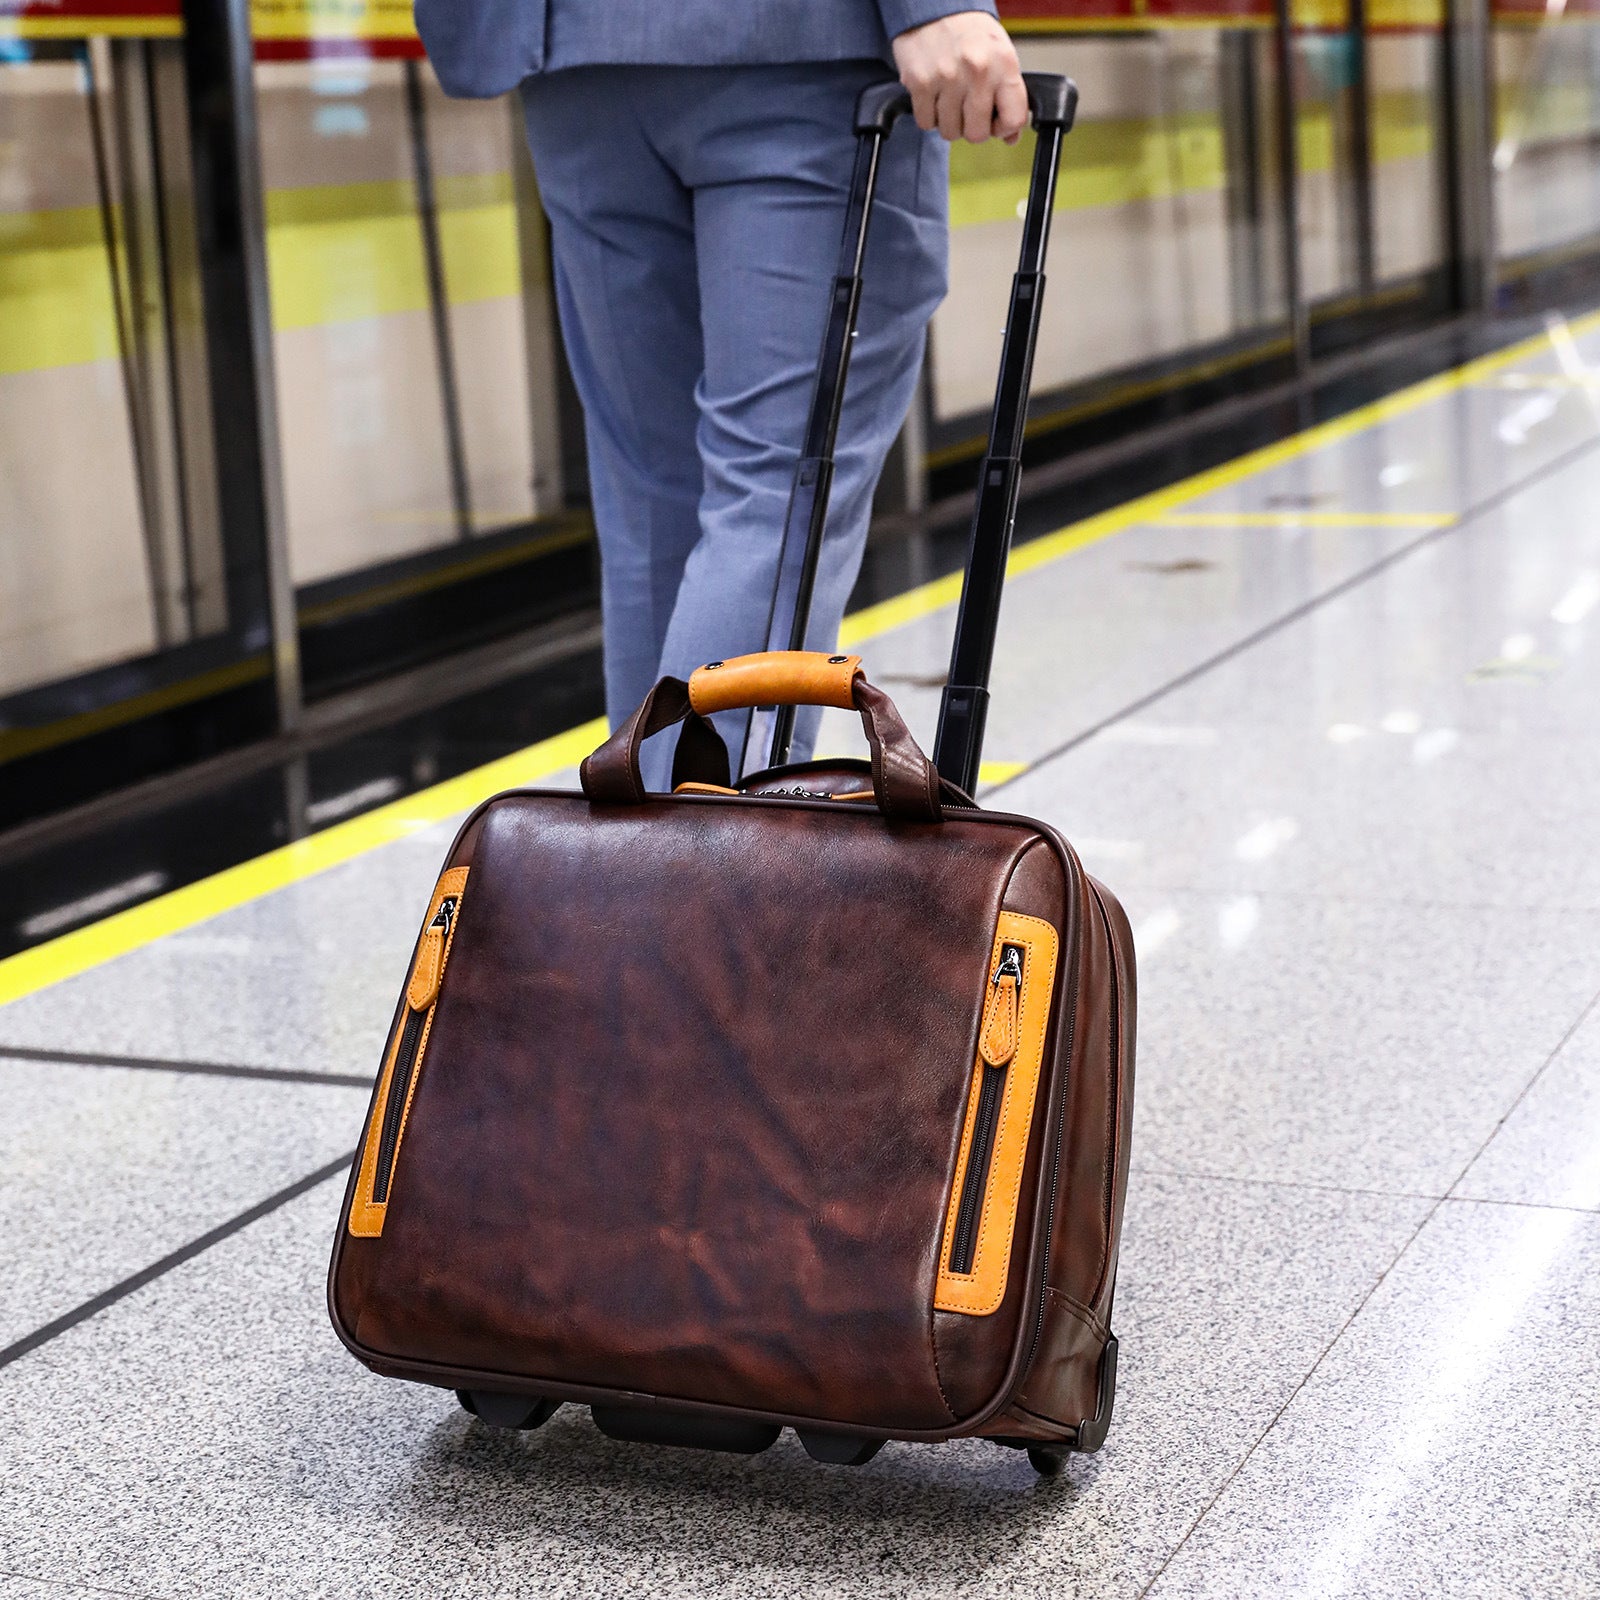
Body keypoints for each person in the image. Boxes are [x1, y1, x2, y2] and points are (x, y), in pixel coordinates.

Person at [414, 0, 1028, 783]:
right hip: (795, 49)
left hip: (571, 58)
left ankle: (635, 867)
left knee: (650, 503)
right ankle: (698, 880)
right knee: (778, 492)